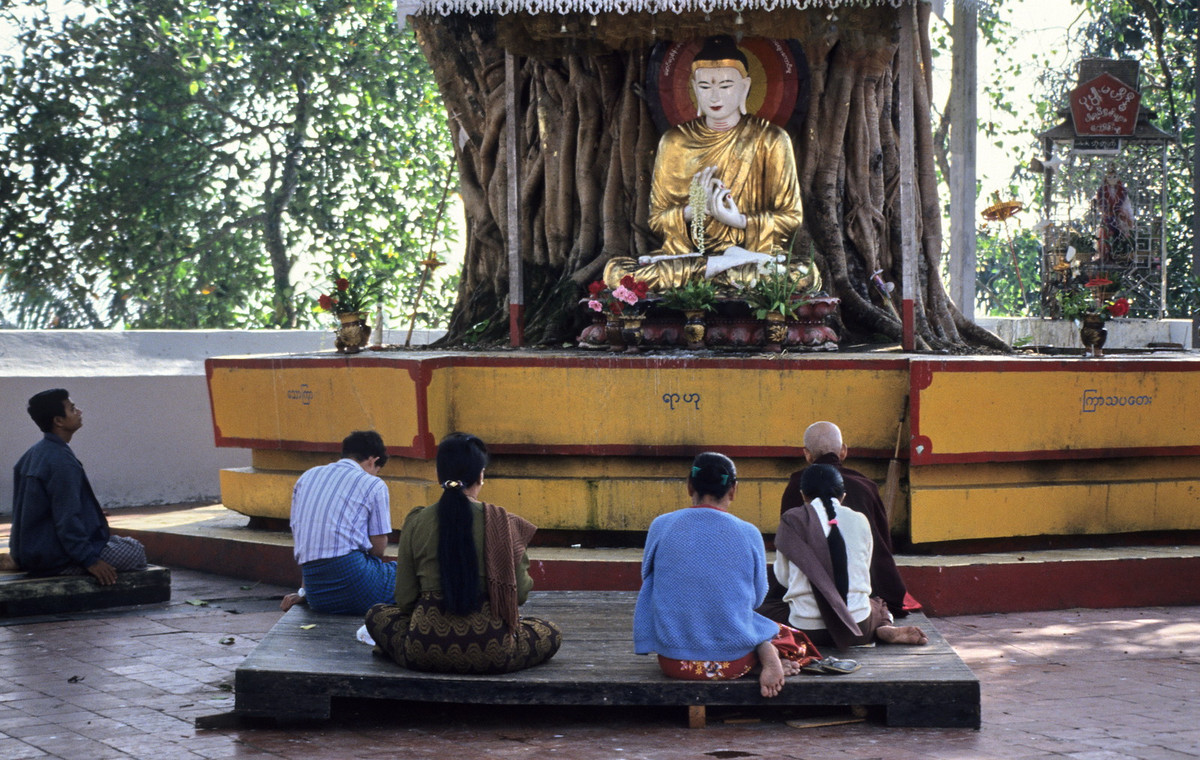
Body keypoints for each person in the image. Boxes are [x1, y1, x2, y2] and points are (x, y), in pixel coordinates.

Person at [602, 35, 817, 292]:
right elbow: (657, 219)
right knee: (617, 273)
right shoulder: (674, 142)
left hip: (750, 258)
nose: (715, 96)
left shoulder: (771, 139)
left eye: (726, 86)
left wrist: (738, 220)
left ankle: (712, 276)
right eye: (705, 87)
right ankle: (718, 275)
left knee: (803, 274)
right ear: (693, 87)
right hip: (690, 258)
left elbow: (791, 217)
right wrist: (692, 211)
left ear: (745, 87)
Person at [364, 433, 561, 674]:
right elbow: (519, 595)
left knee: (376, 614)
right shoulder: (504, 524)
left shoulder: (417, 522)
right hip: (494, 649)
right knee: (549, 630)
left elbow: (404, 599)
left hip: (423, 647)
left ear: (440, 477)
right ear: (480, 475)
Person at [633, 452, 819, 698]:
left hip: (674, 662)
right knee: (785, 634)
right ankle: (764, 654)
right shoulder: (749, 532)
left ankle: (757, 653)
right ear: (733, 490)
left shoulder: (661, 525)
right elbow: (757, 597)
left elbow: (647, 575)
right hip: (732, 664)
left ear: (690, 486)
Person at [765, 420, 910, 618]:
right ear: (843, 451)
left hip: (806, 607)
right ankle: (882, 621)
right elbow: (881, 548)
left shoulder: (796, 487)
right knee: (877, 604)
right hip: (862, 603)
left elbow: (785, 559)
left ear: (807, 454)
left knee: (764, 609)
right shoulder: (865, 487)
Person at [773, 464, 927, 650]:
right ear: (843, 496)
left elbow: (783, 578)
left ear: (803, 494)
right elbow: (864, 569)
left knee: (763, 611)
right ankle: (883, 626)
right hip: (858, 626)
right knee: (878, 603)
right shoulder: (860, 520)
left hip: (806, 630)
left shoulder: (791, 520)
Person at [4, 389, 146, 583]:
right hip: (52, 556)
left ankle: (25, 560)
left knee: (115, 540)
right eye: (72, 409)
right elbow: (67, 519)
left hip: (28, 550)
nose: (79, 411)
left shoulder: (32, 454)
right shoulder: (61, 461)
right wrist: (91, 561)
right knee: (134, 551)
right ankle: (60, 565)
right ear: (59, 421)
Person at [282, 430, 396, 615]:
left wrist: (305, 591)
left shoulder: (307, 477)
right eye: (377, 470)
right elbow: (378, 546)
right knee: (406, 575)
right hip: (355, 584)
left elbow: (305, 540)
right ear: (373, 461)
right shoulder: (373, 484)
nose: (375, 474)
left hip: (316, 594)